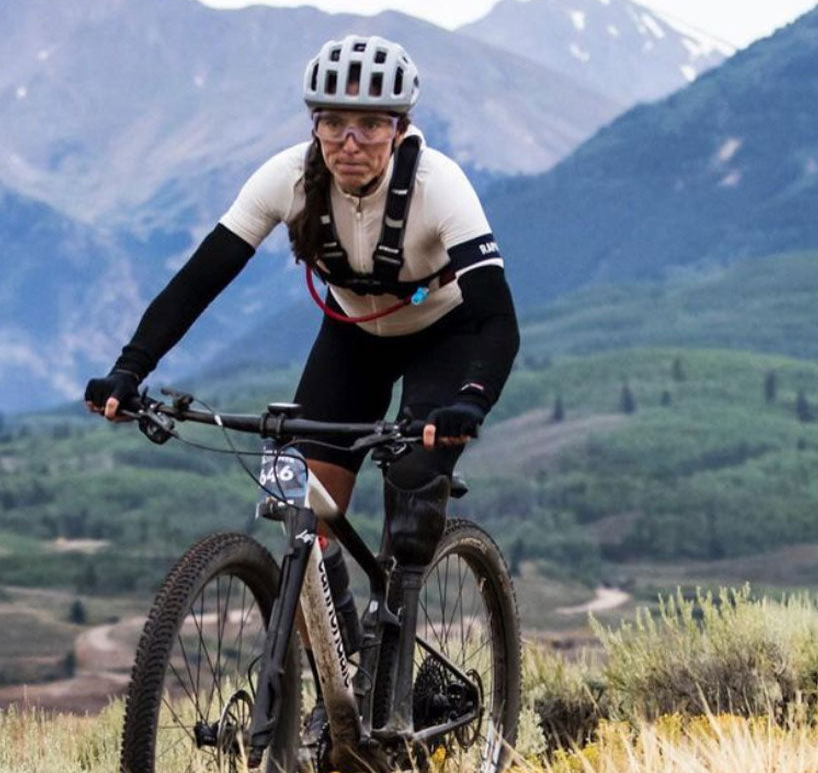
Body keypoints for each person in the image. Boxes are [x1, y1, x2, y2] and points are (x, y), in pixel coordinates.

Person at [85, 34, 519, 614]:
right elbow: (197, 281)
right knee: (302, 501)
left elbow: (497, 319)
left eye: (370, 125)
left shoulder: (439, 186)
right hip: (353, 337)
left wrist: (471, 399)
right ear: (314, 123)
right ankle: (338, 668)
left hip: (445, 332)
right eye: (332, 122)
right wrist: (128, 370)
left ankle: (400, 645)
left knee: (413, 478)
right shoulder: (286, 178)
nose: (349, 141)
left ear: (399, 127)